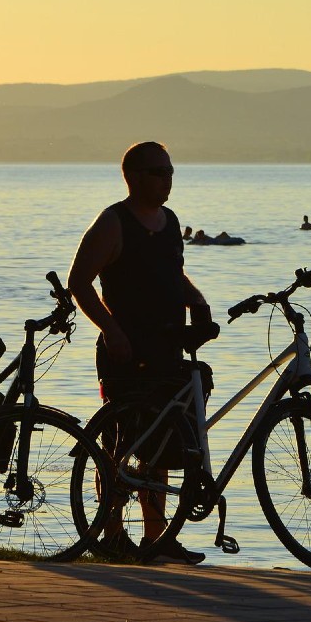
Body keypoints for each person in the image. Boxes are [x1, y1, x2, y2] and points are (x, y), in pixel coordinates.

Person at [68, 141, 212, 565]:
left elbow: (173, 274)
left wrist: (199, 305)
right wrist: (111, 329)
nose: (167, 179)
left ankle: (158, 537)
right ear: (133, 175)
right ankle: (110, 534)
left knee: (163, 442)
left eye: (171, 171)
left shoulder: (170, 223)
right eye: (158, 172)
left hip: (168, 344)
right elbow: (79, 282)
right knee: (120, 443)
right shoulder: (113, 222)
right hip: (126, 348)